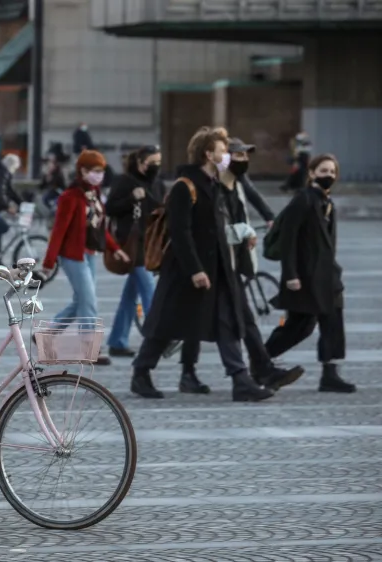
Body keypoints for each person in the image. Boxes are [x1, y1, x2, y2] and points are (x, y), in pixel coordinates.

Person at [129, 126, 287, 402]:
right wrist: (195, 270)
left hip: (217, 269)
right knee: (165, 324)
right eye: (222, 151)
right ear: (207, 154)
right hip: (186, 272)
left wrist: (240, 239)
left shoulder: (213, 185)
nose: (227, 156)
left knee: (227, 322)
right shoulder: (185, 186)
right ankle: (141, 373)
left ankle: (240, 380)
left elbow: (216, 229)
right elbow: (180, 233)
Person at [177, 138, 301, 393]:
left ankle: (260, 370)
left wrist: (269, 218)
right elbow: (206, 228)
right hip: (211, 263)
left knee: (244, 318)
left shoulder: (236, 181)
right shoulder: (212, 185)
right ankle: (193, 373)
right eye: (237, 155)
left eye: (246, 156)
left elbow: (252, 197)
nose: (243, 160)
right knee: (206, 320)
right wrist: (242, 231)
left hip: (230, 261)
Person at [263, 154, 355, 393]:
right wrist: (290, 274)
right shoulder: (303, 199)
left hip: (328, 276)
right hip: (305, 276)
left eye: (332, 172)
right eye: (324, 171)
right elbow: (288, 239)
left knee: (333, 322)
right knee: (299, 325)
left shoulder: (327, 202)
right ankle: (261, 359)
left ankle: (330, 374)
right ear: (312, 173)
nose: (329, 175)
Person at [44, 150, 129, 366]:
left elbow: (100, 228)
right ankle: (90, 350)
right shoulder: (70, 196)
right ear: (82, 171)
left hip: (90, 254)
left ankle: (49, 332)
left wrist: (114, 248)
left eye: (101, 171)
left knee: (81, 300)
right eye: (95, 171)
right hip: (73, 256)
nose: (99, 175)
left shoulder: (95, 194)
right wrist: (48, 262)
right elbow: (58, 231)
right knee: (89, 301)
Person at [104, 145, 165, 357]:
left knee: (131, 295)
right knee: (149, 291)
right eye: (152, 162)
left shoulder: (157, 184)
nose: (156, 166)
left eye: (159, 162)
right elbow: (110, 208)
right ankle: (158, 338)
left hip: (150, 244)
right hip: (131, 245)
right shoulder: (125, 181)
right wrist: (132, 199)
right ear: (140, 163)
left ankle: (117, 341)